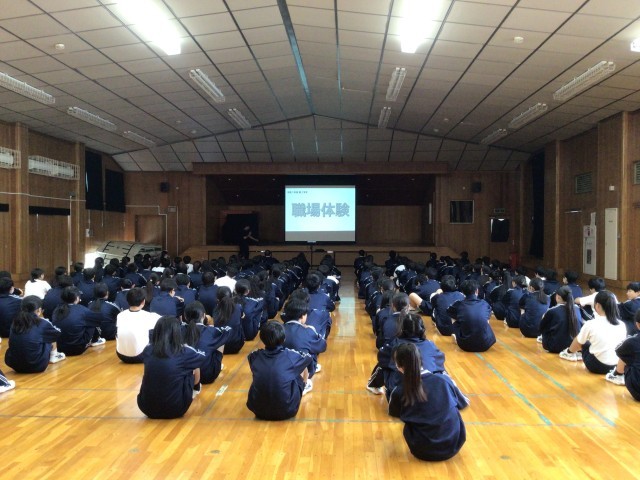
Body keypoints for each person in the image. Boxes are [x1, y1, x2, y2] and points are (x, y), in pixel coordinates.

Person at [388, 342, 469, 462]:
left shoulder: (399, 390)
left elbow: (395, 414)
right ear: (420, 360)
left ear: (399, 366)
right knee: (453, 409)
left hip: (421, 450)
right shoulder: (444, 380)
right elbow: (464, 403)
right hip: (454, 446)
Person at [137, 316, 207, 419]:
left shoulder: (148, 349)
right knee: (192, 364)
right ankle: (195, 390)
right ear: (177, 332)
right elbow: (202, 358)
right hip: (176, 409)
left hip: (145, 407)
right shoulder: (184, 351)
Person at [246, 321, 313, 420]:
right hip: (288, 410)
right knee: (301, 367)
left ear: (262, 339)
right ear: (284, 338)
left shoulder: (253, 356)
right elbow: (308, 358)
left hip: (258, 411)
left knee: (263, 376)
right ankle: (305, 385)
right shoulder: (291, 356)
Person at [560, 290, 627, 374]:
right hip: (616, 365)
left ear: (597, 305)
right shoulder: (622, 324)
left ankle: (569, 353)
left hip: (596, 366)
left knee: (583, 341)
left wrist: (569, 351)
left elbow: (578, 341)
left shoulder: (591, 323)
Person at [5, 296, 65, 373]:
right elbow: (57, 333)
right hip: (37, 366)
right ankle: (54, 356)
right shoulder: (43, 322)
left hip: (15, 366)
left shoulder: (15, 321)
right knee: (50, 335)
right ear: (39, 310)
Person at [182, 301, 232, 386]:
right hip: (207, 376)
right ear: (204, 315)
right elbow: (228, 330)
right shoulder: (211, 331)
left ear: (185, 317)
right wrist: (211, 326)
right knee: (220, 337)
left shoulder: (179, 329)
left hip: (185, 377)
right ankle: (217, 364)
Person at [282, 299, 327, 388]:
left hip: (281, 369)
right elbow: (322, 346)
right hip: (300, 372)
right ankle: (304, 383)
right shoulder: (308, 331)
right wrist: (313, 331)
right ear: (302, 316)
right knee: (312, 348)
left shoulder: (278, 329)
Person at [52, 286, 104, 356]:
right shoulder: (82, 310)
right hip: (77, 349)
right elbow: (99, 321)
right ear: (77, 298)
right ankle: (95, 340)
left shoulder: (56, 310)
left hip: (59, 348)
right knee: (93, 321)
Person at [448, 280, 496, 352]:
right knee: (484, 318)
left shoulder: (458, 304)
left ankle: (458, 336)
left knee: (454, 317)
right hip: (485, 344)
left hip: (465, 345)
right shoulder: (484, 303)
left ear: (463, 292)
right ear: (477, 291)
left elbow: (449, 312)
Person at [115, 287, 161, 363]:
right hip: (140, 356)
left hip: (121, 355)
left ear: (127, 301)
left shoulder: (120, 315)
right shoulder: (149, 316)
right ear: (143, 302)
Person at [605, 310, 640, 400]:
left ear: (637, 324)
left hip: (637, 390)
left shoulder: (632, 341)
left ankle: (617, 374)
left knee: (626, 354)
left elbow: (618, 349)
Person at [538, 286, 583, 353]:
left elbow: (541, 328)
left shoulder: (552, 310)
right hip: (573, 346)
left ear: (558, 297)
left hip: (554, 347)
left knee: (545, 319)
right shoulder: (577, 309)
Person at [212, 286, 245, 354]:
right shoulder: (238, 307)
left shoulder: (215, 310)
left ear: (217, 299)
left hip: (220, 347)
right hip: (236, 345)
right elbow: (242, 316)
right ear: (232, 296)